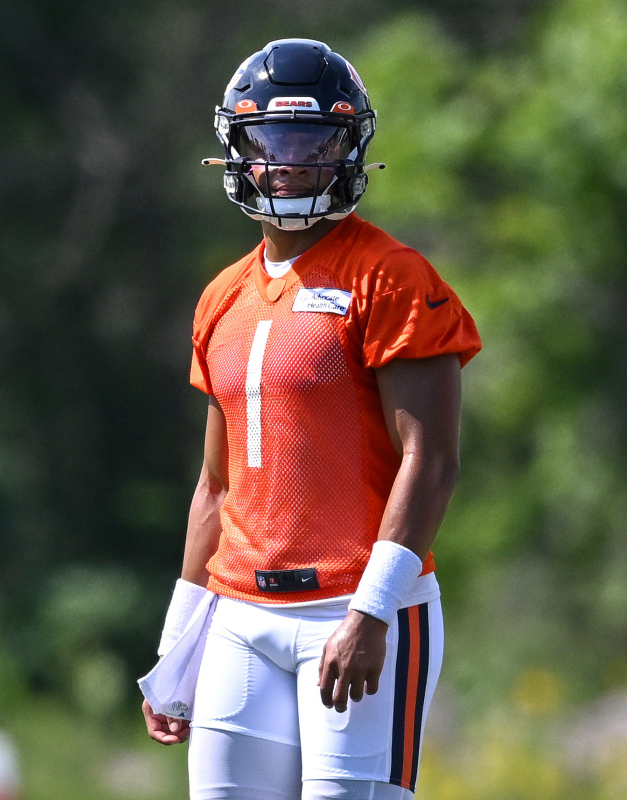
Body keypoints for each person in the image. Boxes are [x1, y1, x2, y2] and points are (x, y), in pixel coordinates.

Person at [139, 39, 481, 800]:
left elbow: (433, 459)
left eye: (312, 142)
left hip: (355, 606)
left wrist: (372, 608)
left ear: (349, 147)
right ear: (237, 150)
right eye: (269, 141)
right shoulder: (222, 293)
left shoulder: (391, 276)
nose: (288, 162)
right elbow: (215, 489)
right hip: (239, 614)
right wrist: (177, 647)